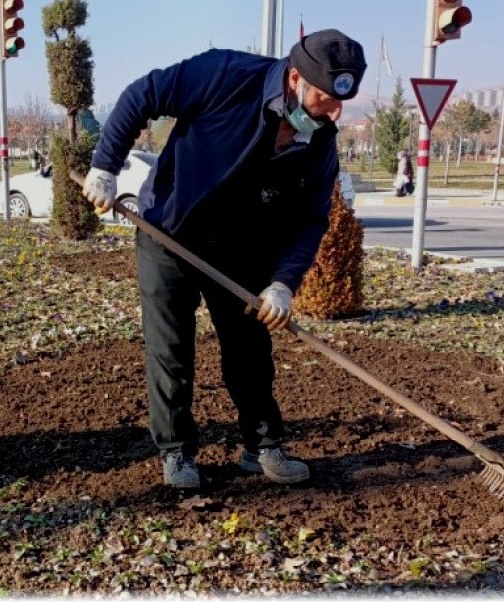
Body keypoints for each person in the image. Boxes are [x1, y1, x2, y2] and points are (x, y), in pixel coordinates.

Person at [82, 29, 367, 489]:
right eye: (324, 98)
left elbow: (313, 219)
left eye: (340, 103)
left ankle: (262, 448)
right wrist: (105, 165)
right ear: (295, 77)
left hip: (240, 248)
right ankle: (177, 454)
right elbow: (143, 94)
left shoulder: (319, 143)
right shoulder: (225, 75)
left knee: (250, 348)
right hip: (167, 233)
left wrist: (282, 283)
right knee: (171, 350)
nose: (333, 112)